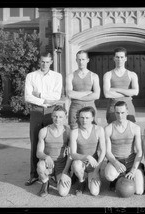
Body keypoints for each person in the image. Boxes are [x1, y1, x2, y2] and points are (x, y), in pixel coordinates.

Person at [24, 52, 63, 186]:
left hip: (51, 111)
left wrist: (40, 95)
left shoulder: (57, 76)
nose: (44, 64)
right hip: (36, 110)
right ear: (39, 62)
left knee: (51, 141)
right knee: (35, 142)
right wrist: (45, 99)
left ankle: (51, 173)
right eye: (42, 61)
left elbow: (57, 96)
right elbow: (28, 97)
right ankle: (34, 175)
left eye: (47, 62)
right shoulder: (31, 76)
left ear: (51, 62)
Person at [104, 101, 144, 195]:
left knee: (139, 191)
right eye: (117, 113)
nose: (120, 116)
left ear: (127, 112)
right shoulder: (108, 129)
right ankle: (117, 178)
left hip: (131, 161)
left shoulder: (135, 128)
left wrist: (133, 170)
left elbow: (139, 152)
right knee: (110, 176)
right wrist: (116, 163)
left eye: (122, 112)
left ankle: (134, 173)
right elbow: (107, 152)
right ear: (114, 113)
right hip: (116, 160)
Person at [36, 105, 72, 197]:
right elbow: (38, 153)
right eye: (55, 116)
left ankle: (58, 178)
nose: (57, 119)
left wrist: (65, 172)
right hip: (49, 164)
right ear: (52, 116)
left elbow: (71, 155)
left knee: (63, 193)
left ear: (65, 118)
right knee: (40, 165)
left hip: (61, 166)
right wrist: (46, 157)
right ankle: (45, 183)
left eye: (60, 117)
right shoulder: (44, 131)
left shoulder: (68, 132)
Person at [69, 106, 106, 196]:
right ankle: (81, 181)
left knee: (94, 192)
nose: (84, 120)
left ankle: (90, 177)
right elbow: (73, 154)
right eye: (82, 117)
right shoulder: (74, 132)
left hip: (93, 164)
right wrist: (87, 157)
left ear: (92, 118)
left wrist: (96, 170)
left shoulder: (99, 130)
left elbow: (103, 151)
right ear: (79, 118)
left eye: (87, 118)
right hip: (80, 162)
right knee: (76, 165)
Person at [103, 47, 139, 124]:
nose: (119, 59)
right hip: (113, 108)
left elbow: (135, 92)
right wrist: (127, 93)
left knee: (130, 132)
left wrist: (116, 89)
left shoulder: (132, 74)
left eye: (122, 57)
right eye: (117, 57)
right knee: (113, 132)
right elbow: (107, 94)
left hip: (128, 107)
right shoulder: (108, 74)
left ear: (125, 58)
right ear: (114, 58)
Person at [66, 50, 100, 130]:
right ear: (76, 60)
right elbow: (69, 94)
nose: (81, 62)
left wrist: (76, 96)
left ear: (87, 60)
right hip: (75, 108)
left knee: (91, 132)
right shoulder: (70, 76)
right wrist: (87, 93)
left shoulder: (94, 76)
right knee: (74, 132)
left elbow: (96, 95)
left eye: (83, 59)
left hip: (90, 107)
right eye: (79, 59)